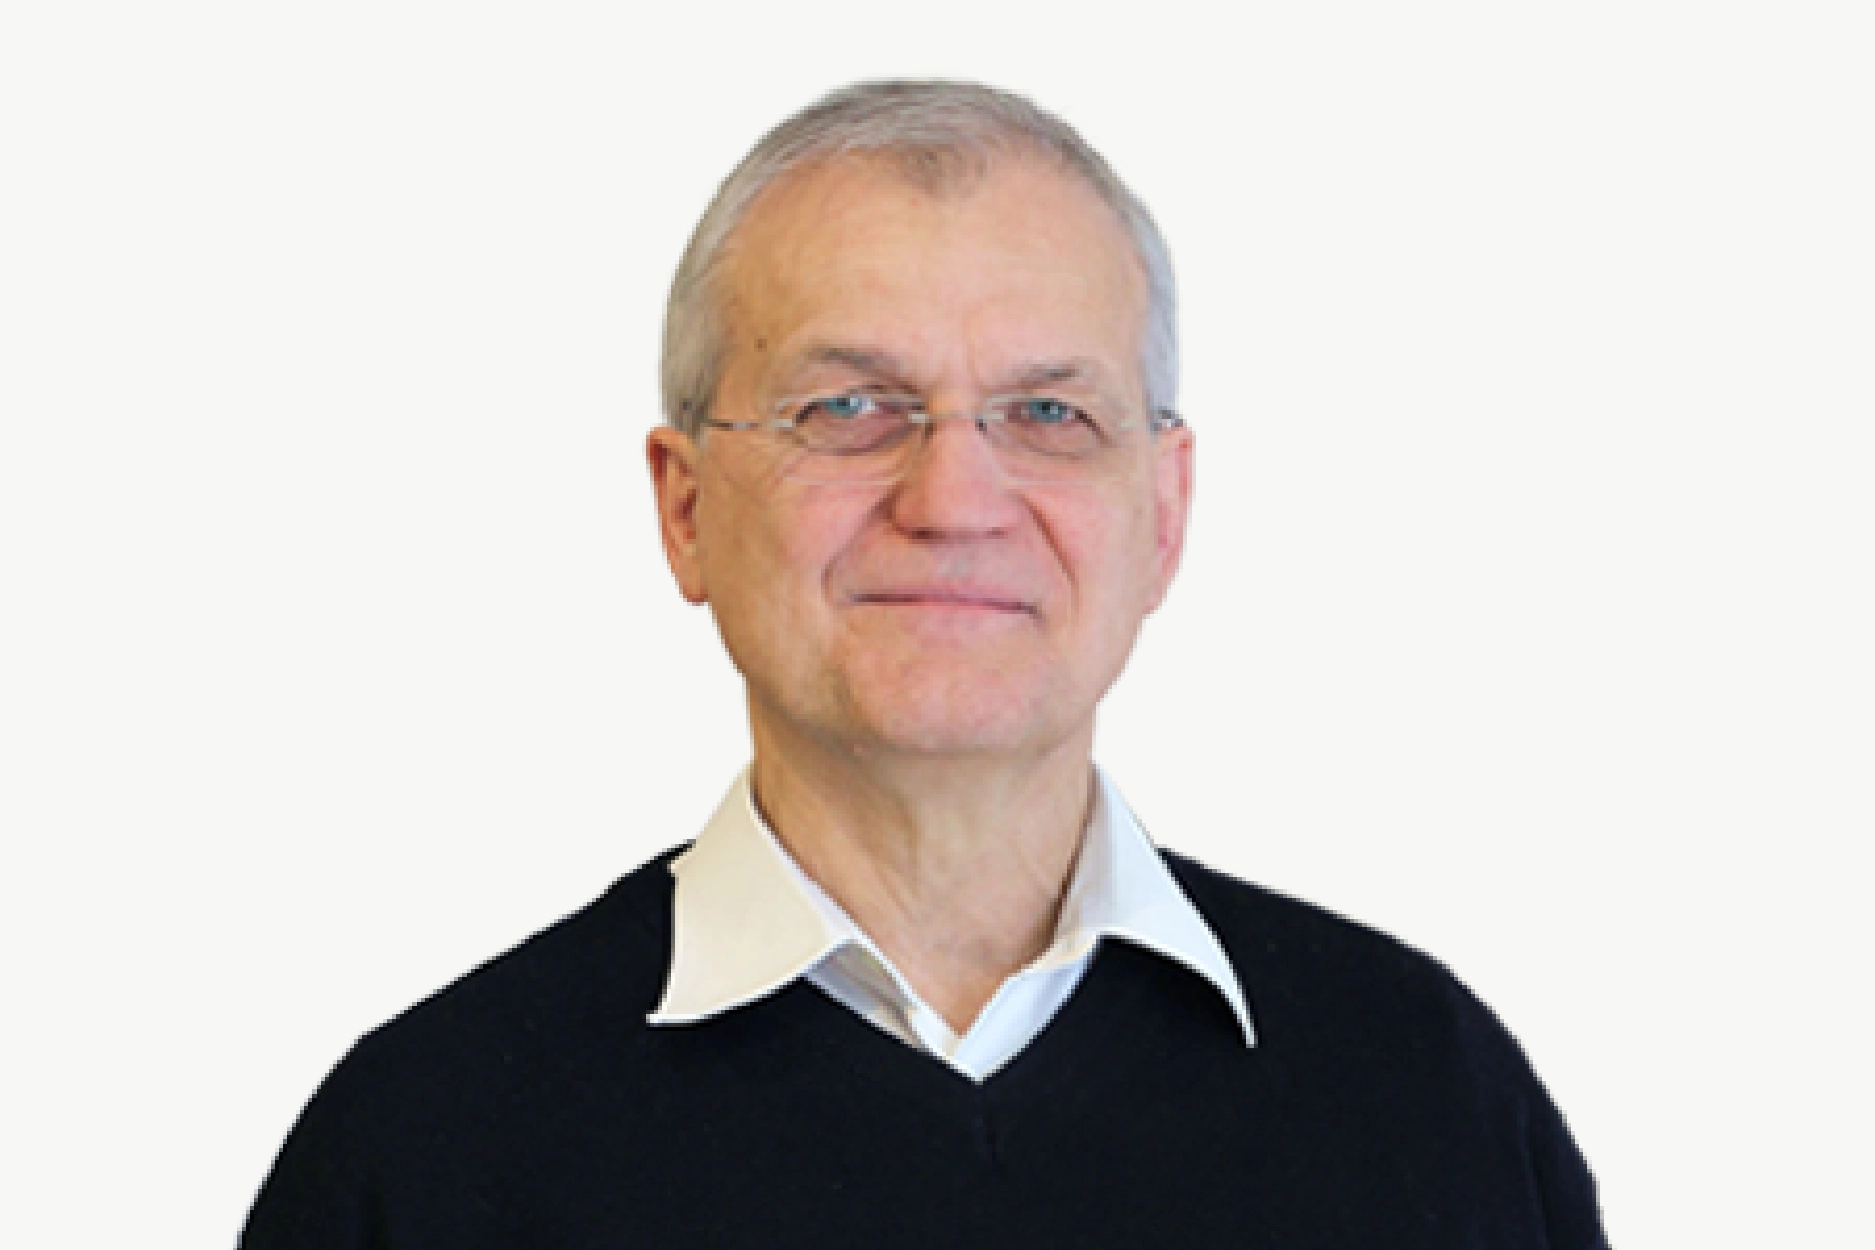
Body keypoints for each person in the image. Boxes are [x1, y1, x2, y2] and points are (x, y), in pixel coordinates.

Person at [240, 80, 1608, 1248]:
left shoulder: (1430, 1099)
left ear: (1164, 514)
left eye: (1049, 412)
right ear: (686, 507)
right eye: (847, 406)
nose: (954, 498)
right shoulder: (419, 1157)